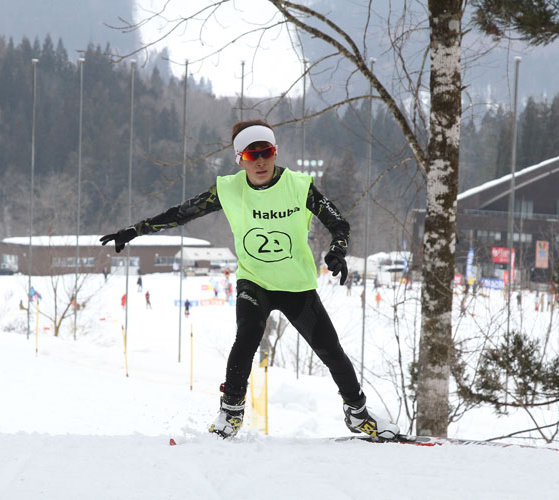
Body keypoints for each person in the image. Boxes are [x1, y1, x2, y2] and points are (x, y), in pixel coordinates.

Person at [100, 120, 399, 441]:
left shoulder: (299, 186)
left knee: (330, 349)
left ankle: (358, 414)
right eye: (250, 155)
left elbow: (339, 223)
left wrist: (337, 252)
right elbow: (180, 213)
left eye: (266, 153)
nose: (259, 162)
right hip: (254, 282)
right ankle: (230, 412)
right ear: (239, 159)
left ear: (275, 153)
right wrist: (134, 230)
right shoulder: (229, 189)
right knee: (246, 338)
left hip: (296, 285)